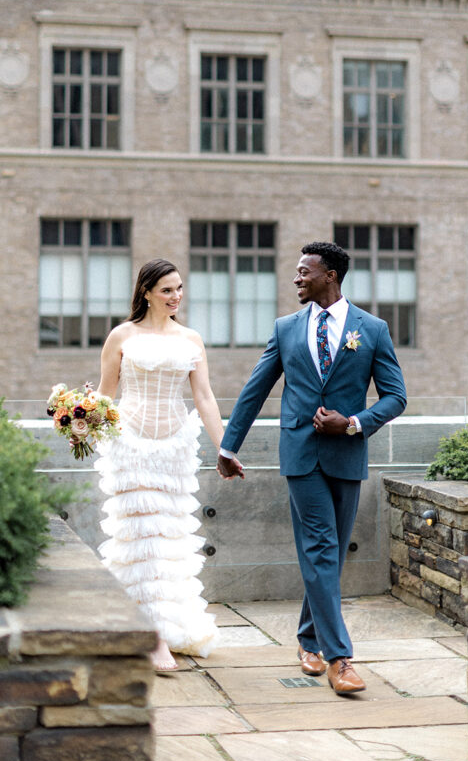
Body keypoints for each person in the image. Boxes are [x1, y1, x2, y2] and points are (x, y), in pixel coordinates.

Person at [217, 241, 406, 695]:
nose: (297, 278)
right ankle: (341, 659)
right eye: (297, 271)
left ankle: (307, 639)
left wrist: (354, 423)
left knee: (331, 556)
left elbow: (396, 396)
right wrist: (229, 445)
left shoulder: (372, 329)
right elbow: (255, 389)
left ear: (331, 275)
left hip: (347, 455)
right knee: (321, 547)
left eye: (305, 271)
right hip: (300, 457)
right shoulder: (285, 328)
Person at [95, 257, 235, 672]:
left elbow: (205, 398)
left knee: (169, 539)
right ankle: (149, 635)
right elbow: (105, 394)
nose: (176, 297)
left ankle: (167, 629)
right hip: (130, 445)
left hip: (175, 445)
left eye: (179, 289)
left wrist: (224, 449)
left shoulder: (191, 339)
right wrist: (78, 420)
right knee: (138, 540)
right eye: (167, 290)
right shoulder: (122, 335)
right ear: (146, 292)